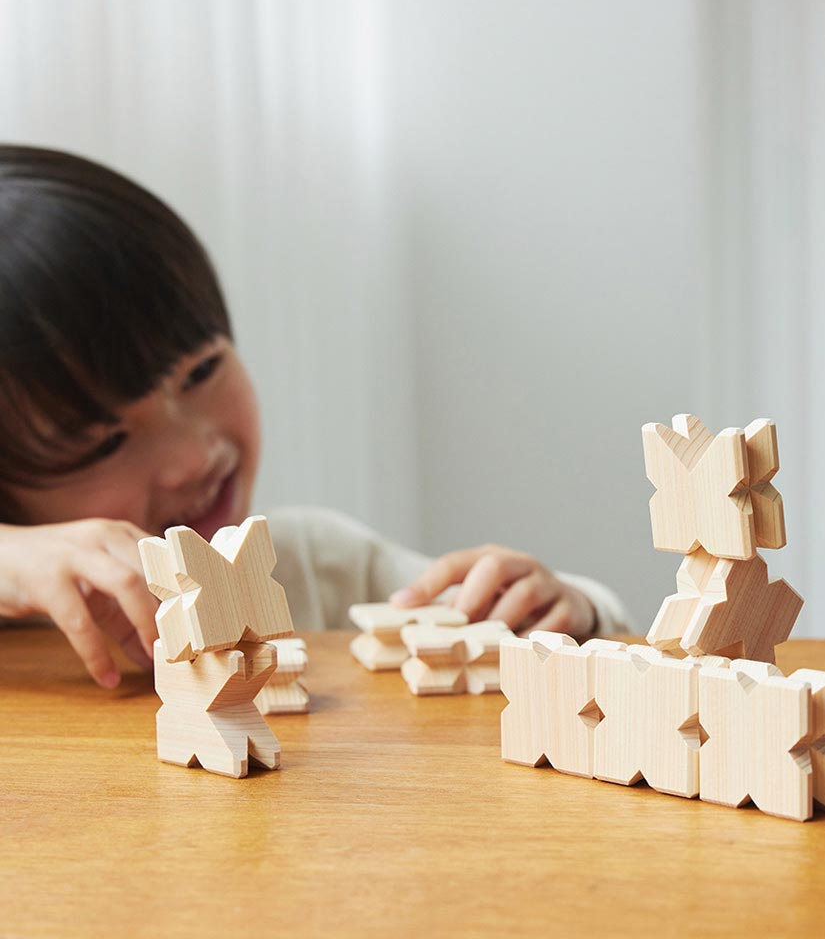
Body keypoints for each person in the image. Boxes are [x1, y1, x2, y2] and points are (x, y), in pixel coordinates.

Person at [0, 145, 631, 689]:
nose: (192, 456)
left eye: (199, 372)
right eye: (106, 441)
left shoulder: (317, 564)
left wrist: (567, 610)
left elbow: (592, 637)